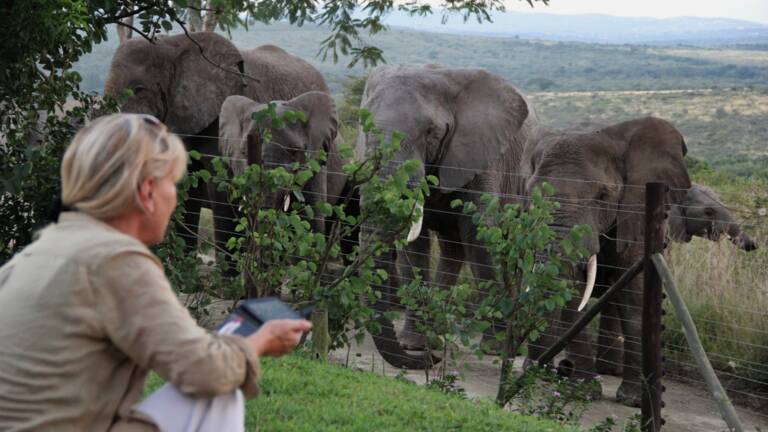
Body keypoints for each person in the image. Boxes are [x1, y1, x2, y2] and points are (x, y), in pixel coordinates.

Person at [0, 113, 312, 431]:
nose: (175, 198)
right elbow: (206, 372)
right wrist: (258, 343)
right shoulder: (116, 260)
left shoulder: (32, 255)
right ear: (148, 191)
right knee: (220, 389)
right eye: (173, 184)